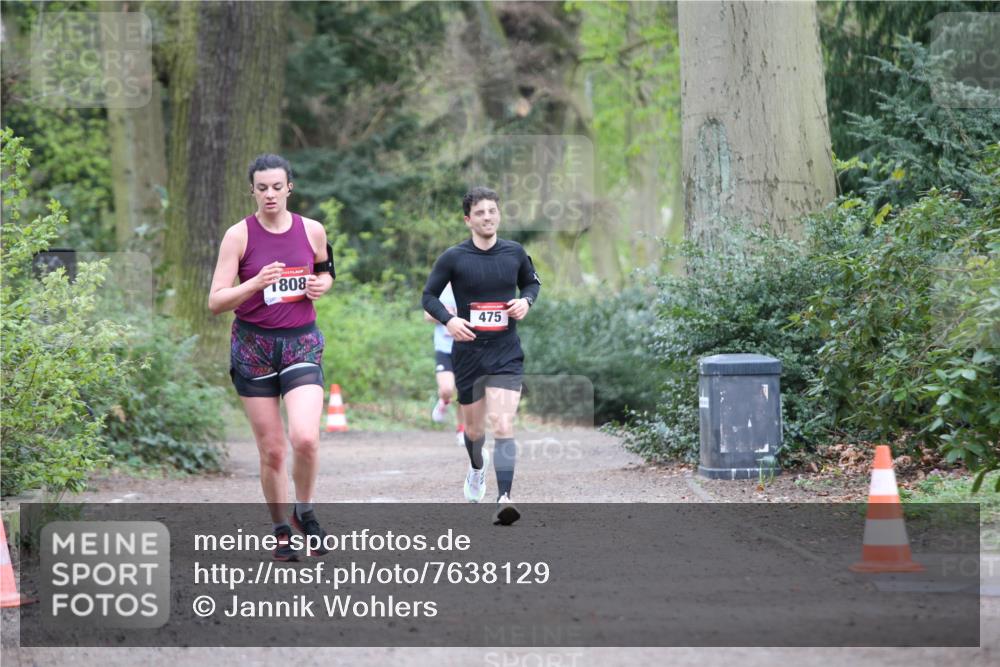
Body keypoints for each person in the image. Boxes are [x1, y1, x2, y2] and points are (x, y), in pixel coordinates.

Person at [208, 154, 334, 561]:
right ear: (252, 191)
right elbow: (215, 301)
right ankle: (281, 530)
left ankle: (305, 510)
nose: (270, 194)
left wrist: (320, 285)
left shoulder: (312, 230)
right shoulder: (238, 236)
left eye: (277, 187)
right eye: (262, 188)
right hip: (254, 348)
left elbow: (326, 269)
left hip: (300, 344)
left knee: (306, 438)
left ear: (289, 188)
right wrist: (255, 284)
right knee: (274, 450)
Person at [421, 186, 541, 525]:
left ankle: (505, 497)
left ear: (498, 214)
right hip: (469, 354)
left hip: (505, 351)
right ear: (468, 220)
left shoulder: (515, 252)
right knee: (474, 432)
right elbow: (428, 297)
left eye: (492, 211)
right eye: (480, 213)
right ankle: (477, 468)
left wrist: (525, 302)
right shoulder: (454, 258)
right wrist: (450, 319)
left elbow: (532, 283)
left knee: (504, 423)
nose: (487, 217)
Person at [424, 282, 466, 446]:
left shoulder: (471, 285)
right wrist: (447, 317)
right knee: (447, 389)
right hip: (444, 348)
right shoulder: (440, 288)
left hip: (465, 348)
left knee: (464, 393)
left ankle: (462, 430)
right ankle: (444, 402)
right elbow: (427, 315)